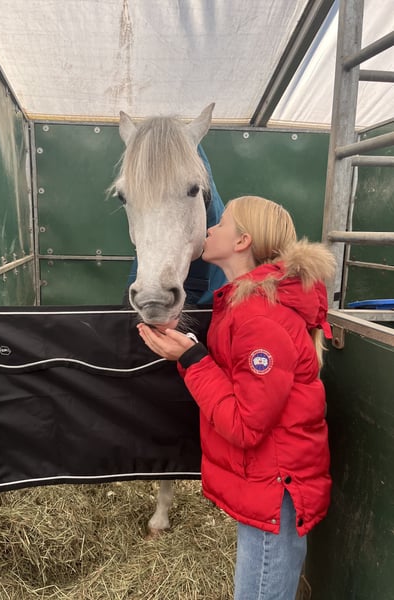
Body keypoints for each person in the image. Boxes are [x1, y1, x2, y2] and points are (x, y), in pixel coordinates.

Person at [137, 196, 335, 600]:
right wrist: (189, 353)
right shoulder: (244, 305)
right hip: (269, 484)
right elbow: (239, 385)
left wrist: (192, 359)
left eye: (221, 223)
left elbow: (245, 425)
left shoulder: (259, 317)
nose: (209, 229)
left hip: (275, 489)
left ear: (242, 241)